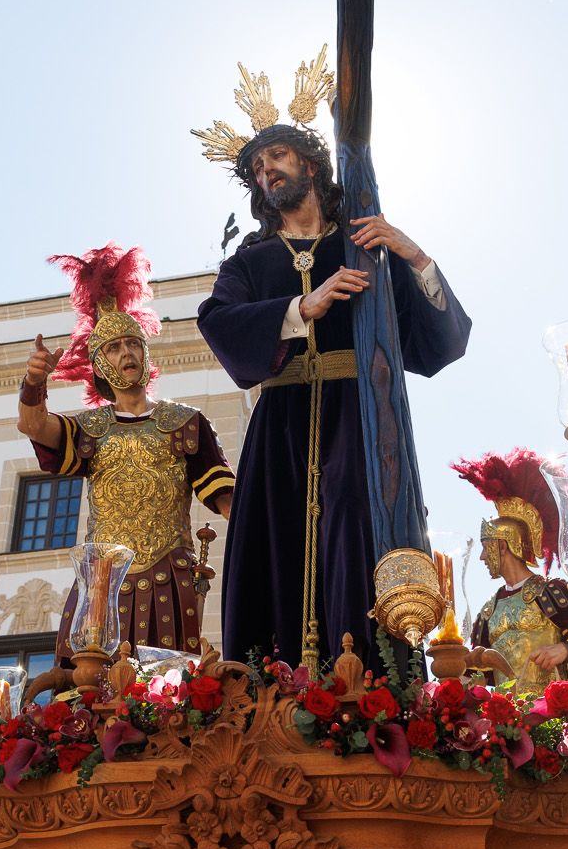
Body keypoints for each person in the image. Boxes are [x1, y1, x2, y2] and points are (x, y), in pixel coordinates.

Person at [197, 120, 470, 673]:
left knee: (356, 531)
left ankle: (370, 683)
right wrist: (301, 308)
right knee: (276, 546)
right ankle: (272, 688)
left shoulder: (366, 250)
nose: (266, 171)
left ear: (313, 166)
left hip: (361, 422)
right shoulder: (250, 263)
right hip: (280, 433)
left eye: (277, 157)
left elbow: (439, 346)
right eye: (257, 167)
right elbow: (218, 322)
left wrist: (413, 256)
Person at [20, 243, 233, 662]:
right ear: (99, 366)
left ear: (145, 352)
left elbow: (226, 500)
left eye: (132, 344)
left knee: (167, 692)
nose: (126, 353)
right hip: (102, 579)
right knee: (89, 687)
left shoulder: (186, 422)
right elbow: (33, 425)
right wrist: (33, 382)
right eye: (114, 348)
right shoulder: (91, 427)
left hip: (170, 576)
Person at [452, 448, 568, 695]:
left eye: (486, 548)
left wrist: (565, 649)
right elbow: (473, 677)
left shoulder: (550, 592)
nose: (482, 557)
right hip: (508, 725)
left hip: (554, 714)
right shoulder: (487, 613)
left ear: (502, 546)